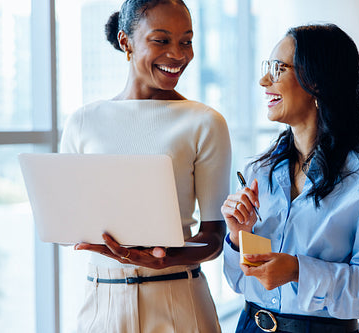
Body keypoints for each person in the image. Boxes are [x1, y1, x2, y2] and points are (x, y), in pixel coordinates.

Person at [221, 24, 359, 333]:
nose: (263, 80)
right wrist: (237, 237)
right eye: (266, 67)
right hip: (250, 326)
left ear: (318, 82)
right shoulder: (259, 170)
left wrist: (299, 271)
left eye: (278, 69)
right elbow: (240, 281)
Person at [60, 1, 231, 332]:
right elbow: (68, 223)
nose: (178, 54)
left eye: (186, 41)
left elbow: (214, 237)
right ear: (126, 41)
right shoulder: (83, 121)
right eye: (162, 40)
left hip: (178, 297)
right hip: (102, 300)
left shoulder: (205, 122)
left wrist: (165, 256)